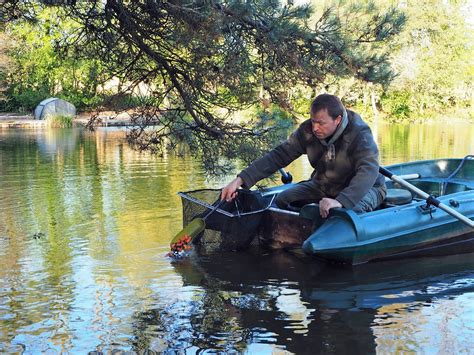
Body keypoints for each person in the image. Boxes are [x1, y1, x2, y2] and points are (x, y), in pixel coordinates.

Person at [221, 93, 387, 218]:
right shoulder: (308, 131)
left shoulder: (359, 134)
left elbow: (369, 170)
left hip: (367, 188)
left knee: (344, 212)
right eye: (313, 121)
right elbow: (279, 155)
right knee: (282, 200)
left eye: (321, 123)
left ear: (338, 120)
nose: (315, 128)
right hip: (325, 184)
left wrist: (341, 201)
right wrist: (240, 180)